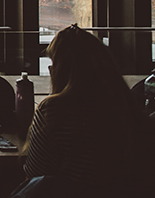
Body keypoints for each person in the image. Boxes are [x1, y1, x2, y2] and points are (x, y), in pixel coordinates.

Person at [10, 24, 155, 197]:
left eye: (53, 64)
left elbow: (34, 175)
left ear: (60, 69)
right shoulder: (126, 105)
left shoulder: (54, 110)